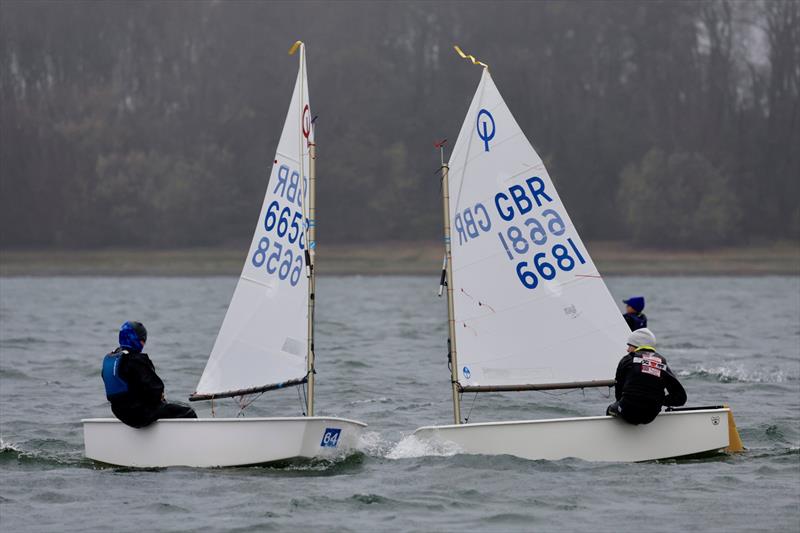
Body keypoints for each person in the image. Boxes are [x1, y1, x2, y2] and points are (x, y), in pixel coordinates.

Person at [101, 321, 196, 428]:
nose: (143, 344)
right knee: (187, 411)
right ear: (136, 339)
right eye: (142, 340)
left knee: (169, 407)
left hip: (119, 413)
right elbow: (156, 389)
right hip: (140, 414)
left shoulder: (110, 358)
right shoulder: (136, 359)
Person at [606, 327, 686, 425]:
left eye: (629, 345)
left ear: (636, 346)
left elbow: (619, 392)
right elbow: (680, 398)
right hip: (650, 415)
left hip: (628, 412)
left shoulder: (627, 359)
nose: (627, 349)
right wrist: (658, 400)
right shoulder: (662, 362)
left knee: (610, 408)